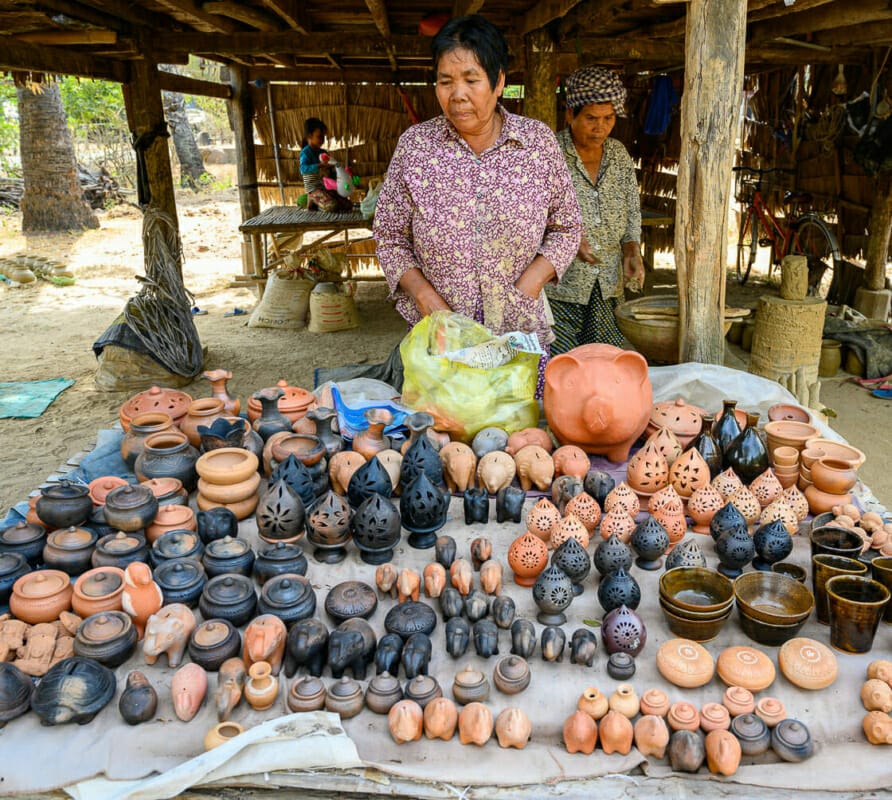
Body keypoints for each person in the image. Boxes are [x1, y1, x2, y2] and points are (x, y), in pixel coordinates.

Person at [373, 14, 582, 393]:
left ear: (499, 81)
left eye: (472, 80)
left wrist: (529, 285)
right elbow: (388, 236)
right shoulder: (416, 148)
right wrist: (425, 297)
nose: (458, 95)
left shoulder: (536, 144)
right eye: (445, 81)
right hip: (442, 339)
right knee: (446, 438)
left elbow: (567, 227)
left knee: (517, 438)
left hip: (517, 334)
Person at [544, 66, 644, 353]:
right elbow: (529, 214)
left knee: (604, 362)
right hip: (560, 286)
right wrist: (567, 239)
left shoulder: (618, 154)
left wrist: (631, 250)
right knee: (561, 366)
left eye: (608, 118)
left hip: (608, 284)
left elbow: (632, 209)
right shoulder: (549, 153)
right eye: (590, 118)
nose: (600, 127)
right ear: (569, 115)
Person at [300, 117, 349, 212]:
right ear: (309, 136)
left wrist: (335, 171)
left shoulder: (323, 152)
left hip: (326, 188)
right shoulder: (305, 153)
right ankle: (311, 198)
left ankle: (319, 203)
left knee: (347, 205)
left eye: (324, 137)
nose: (323, 140)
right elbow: (303, 169)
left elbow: (331, 173)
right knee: (332, 206)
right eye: (319, 136)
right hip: (315, 190)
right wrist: (319, 166)